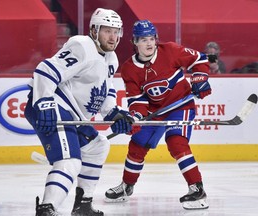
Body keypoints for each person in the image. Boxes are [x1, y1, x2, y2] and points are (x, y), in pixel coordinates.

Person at [24, 8, 134, 216]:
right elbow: (46, 70)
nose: (113, 37)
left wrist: (113, 113)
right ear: (94, 30)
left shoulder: (111, 59)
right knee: (69, 161)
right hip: (54, 105)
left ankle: (83, 205)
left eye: (116, 31)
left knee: (98, 146)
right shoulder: (82, 45)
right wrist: (44, 102)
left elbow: (105, 91)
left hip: (72, 115)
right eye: (107, 31)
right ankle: (47, 209)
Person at [104, 20, 212, 210]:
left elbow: (200, 59)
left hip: (181, 106)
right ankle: (127, 187)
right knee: (137, 145)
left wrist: (200, 78)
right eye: (143, 39)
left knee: (176, 142)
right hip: (154, 113)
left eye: (152, 39)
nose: (149, 43)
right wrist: (136, 118)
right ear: (134, 42)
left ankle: (197, 189)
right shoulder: (129, 68)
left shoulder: (170, 50)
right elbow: (137, 101)